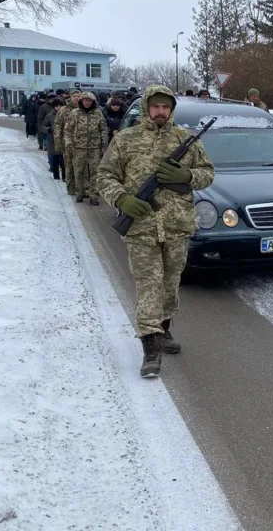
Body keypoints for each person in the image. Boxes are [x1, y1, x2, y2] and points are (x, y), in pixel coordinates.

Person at [97, 85, 215, 379]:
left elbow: (208, 173)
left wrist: (187, 176)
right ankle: (150, 349)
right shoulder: (125, 139)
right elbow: (105, 175)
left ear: (171, 109)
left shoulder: (185, 139)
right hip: (142, 228)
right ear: (147, 107)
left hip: (177, 226)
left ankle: (164, 330)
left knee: (170, 283)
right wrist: (122, 199)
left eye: (166, 107)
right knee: (148, 285)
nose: (160, 112)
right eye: (155, 106)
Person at [70, 91, 108, 204]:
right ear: (81, 101)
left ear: (93, 102)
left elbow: (103, 130)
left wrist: (103, 147)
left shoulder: (98, 113)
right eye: (85, 100)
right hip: (78, 147)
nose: (87, 102)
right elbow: (68, 130)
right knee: (79, 171)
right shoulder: (74, 113)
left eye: (89, 100)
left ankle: (94, 195)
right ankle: (80, 192)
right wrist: (69, 144)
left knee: (95, 172)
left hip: (94, 148)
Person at [60, 91, 82, 195]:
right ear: (70, 97)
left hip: (81, 144)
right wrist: (59, 143)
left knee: (82, 167)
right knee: (69, 166)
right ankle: (71, 188)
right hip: (68, 142)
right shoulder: (64, 110)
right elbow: (58, 126)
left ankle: (81, 189)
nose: (77, 98)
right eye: (75, 96)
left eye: (79, 96)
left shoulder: (85, 109)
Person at [42, 99, 66, 180]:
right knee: (54, 160)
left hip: (64, 139)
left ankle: (64, 176)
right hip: (53, 140)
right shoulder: (49, 116)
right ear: (54, 107)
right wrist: (49, 129)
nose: (59, 108)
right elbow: (43, 127)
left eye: (60, 106)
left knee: (63, 161)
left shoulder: (66, 115)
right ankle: (56, 175)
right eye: (57, 106)